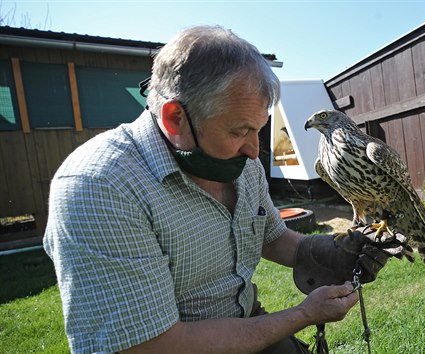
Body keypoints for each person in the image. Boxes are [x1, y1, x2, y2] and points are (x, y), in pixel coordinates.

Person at [44, 25, 397, 353]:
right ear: (175, 118)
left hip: (245, 322)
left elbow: (269, 237)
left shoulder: (242, 165)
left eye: (257, 130)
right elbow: (151, 346)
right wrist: (303, 315)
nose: (254, 150)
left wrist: (329, 252)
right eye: (239, 131)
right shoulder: (100, 186)